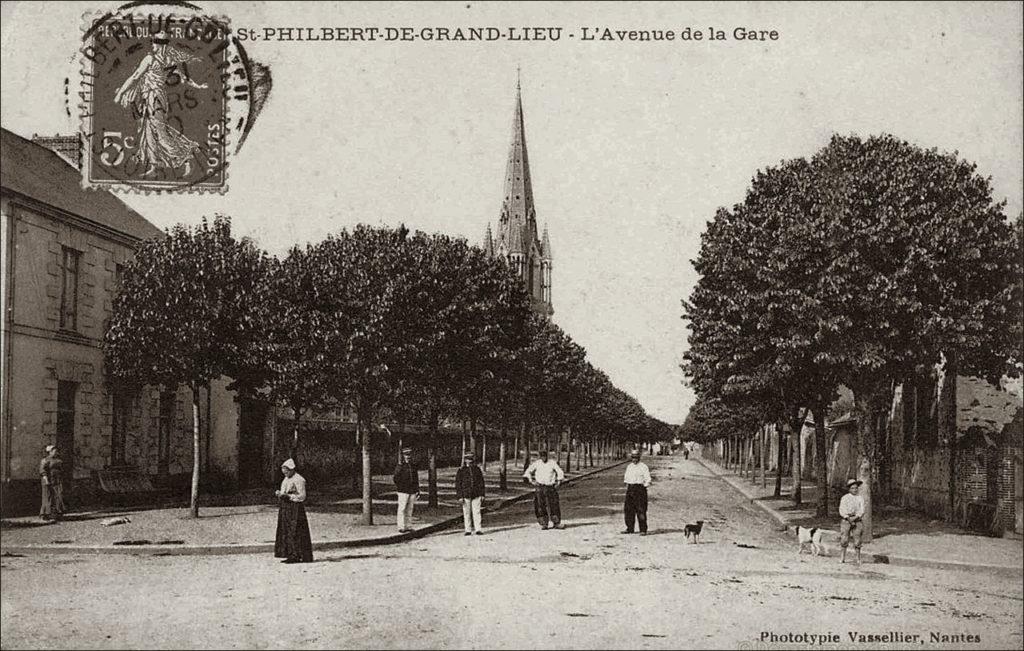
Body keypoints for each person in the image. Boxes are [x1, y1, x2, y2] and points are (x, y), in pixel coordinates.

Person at [113, 30, 208, 176]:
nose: (153, 45)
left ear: (159, 44)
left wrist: (120, 93)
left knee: (160, 132)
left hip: (154, 98)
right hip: (155, 98)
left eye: (155, 43)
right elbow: (185, 78)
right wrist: (198, 86)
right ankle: (154, 166)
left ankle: (185, 157)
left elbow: (135, 77)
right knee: (149, 131)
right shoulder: (170, 61)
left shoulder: (150, 59)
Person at [274, 458, 313, 564]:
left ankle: (297, 555)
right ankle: (289, 553)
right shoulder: (286, 479)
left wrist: (289, 496)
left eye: (287, 472)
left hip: (295, 508)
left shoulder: (299, 480)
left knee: (295, 531)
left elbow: (302, 496)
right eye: (284, 472)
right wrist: (280, 494)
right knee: (286, 531)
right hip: (286, 508)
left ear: (291, 470)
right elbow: (284, 491)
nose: (285, 474)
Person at [523, 449, 566, 530]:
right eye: (542, 456)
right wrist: (531, 481)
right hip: (540, 487)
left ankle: (556, 522)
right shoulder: (537, 463)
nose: (543, 458)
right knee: (540, 505)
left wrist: (559, 481)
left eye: (545, 456)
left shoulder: (552, 463)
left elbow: (560, 471)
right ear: (540, 457)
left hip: (550, 487)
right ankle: (544, 523)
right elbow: (528, 472)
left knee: (553, 505)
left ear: (547, 456)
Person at [455, 452, 486, 536]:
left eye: (471, 459)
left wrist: (482, 494)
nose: (469, 461)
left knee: (477, 512)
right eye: (467, 459)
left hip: (476, 494)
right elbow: (458, 484)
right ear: (465, 460)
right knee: (466, 512)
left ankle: (478, 529)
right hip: (465, 494)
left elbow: (481, 482)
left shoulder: (477, 470)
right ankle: (468, 529)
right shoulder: (461, 470)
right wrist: (460, 496)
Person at [622, 449, 652, 535]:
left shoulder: (643, 467)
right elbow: (626, 478)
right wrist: (628, 486)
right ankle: (630, 528)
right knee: (628, 510)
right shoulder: (629, 467)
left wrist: (643, 487)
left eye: (636, 457)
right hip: (630, 489)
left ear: (639, 458)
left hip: (640, 489)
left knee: (641, 510)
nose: (634, 459)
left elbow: (648, 479)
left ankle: (643, 529)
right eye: (633, 457)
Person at [392, 447, 420, 533]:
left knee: (410, 509)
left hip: (412, 491)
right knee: (402, 508)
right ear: (403, 456)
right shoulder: (400, 466)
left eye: (409, 455)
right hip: (403, 491)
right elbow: (395, 478)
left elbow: (416, 479)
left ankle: (408, 526)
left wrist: (417, 490)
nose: (408, 457)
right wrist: (401, 487)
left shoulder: (413, 466)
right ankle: (401, 526)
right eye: (406, 455)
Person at [839, 478, 865, 564]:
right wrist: (847, 517)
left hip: (857, 520)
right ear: (849, 489)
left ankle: (858, 558)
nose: (854, 490)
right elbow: (842, 509)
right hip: (846, 520)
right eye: (852, 488)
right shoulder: (845, 498)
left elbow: (862, 510)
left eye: (856, 488)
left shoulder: (860, 498)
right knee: (844, 539)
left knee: (857, 539)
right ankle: (842, 557)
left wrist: (856, 517)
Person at [39, 445, 66, 523]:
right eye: (54, 451)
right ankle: (45, 514)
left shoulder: (58, 460)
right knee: (48, 497)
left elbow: (61, 470)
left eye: (56, 451)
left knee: (58, 496)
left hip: (57, 481)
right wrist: (46, 480)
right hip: (48, 480)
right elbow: (42, 471)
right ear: (50, 452)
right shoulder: (45, 460)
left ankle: (57, 514)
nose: (56, 452)